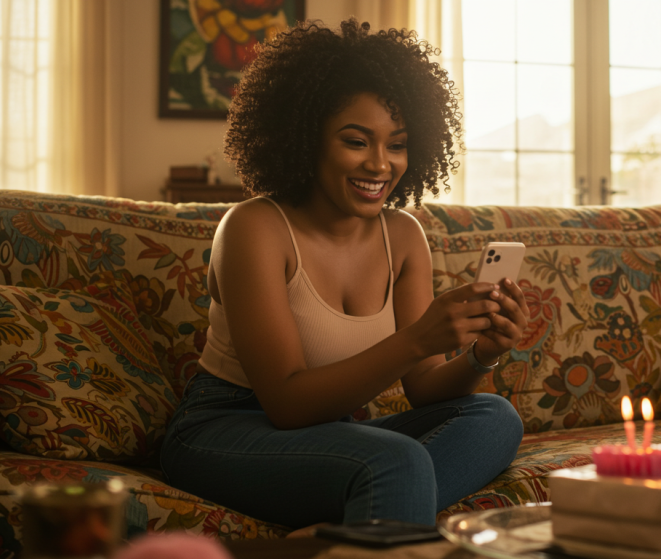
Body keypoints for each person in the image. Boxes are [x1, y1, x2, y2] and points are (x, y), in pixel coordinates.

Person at [159, 19, 528, 529]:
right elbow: (286, 404)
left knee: (493, 418)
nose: (381, 165)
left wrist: (481, 354)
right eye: (357, 141)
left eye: (396, 144)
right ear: (305, 138)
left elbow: (424, 388)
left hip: (338, 438)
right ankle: (380, 495)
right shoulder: (255, 228)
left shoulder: (402, 236)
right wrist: (419, 338)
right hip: (225, 428)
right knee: (395, 460)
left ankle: (367, 507)